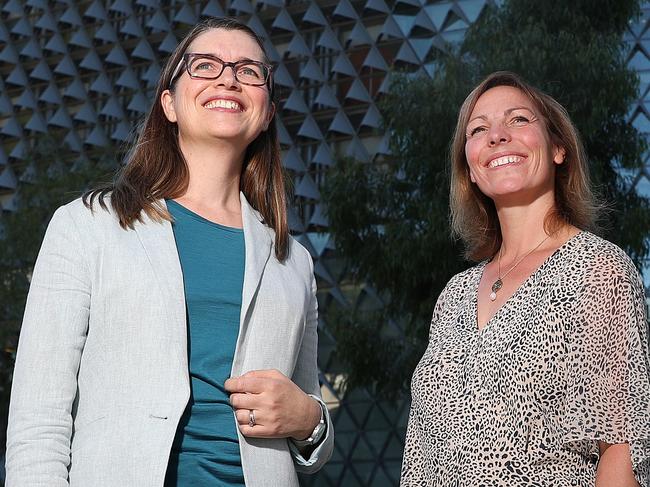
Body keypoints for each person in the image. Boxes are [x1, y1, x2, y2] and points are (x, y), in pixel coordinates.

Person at [5, 17, 333, 487]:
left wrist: (310, 421)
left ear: (268, 112)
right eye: (205, 65)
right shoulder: (87, 226)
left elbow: (306, 426)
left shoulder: (293, 262)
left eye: (249, 70)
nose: (228, 78)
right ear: (170, 103)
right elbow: (38, 423)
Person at [400, 71, 650, 486]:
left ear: (557, 148)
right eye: (479, 129)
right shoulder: (453, 296)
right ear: (472, 170)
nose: (497, 135)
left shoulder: (597, 269)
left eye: (518, 120)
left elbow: (618, 456)